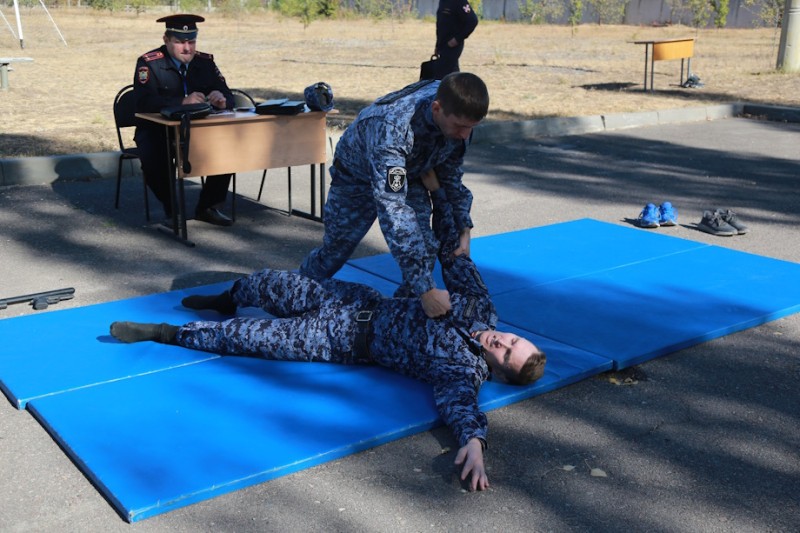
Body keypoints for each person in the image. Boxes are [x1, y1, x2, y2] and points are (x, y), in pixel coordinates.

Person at [110, 190, 546, 491]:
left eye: (505, 352)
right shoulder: (482, 311)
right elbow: (459, 261)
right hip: (355, 298)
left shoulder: (462, 370)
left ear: (497, 369)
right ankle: (228, 296)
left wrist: (474, 443)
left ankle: (166, 334)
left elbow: (461, 407)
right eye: (512, 339)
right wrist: (442, 201)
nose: (501, 340)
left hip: (341, 338)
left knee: (249, 337)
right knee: (271, 283)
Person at [299, 72, 489, 319]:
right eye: (461, 127)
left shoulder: (457, 112)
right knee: (335, 252)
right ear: (437, 108)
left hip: (410, 171)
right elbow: (394, 213)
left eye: (471, 128)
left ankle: (400, 318)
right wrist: (427, 290)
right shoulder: (393, 129)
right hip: (357, 178)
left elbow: (451, 174)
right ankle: (292, 291)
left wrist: (464, 226)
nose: (465, 135)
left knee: (425, 248)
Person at [133, 14, 235, 227]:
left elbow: (230, 94)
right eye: (180, 42)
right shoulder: (149, 63)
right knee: (153, 158)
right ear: (167, 40)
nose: (187, 48)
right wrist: (181, 101)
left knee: (227, 148)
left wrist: (221, 99)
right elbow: (143, 101)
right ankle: (173, 209)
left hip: (198, 130)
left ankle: (208, 207)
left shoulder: (205, 62)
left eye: (191, 41)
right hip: (158, 129)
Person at [434, 0, 479, 79]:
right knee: (446, 74)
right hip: (443, 44)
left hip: (452, 45)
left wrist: (457, 39)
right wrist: (438, 45)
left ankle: (457, 90)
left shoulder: (459, 1)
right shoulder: (443, 2)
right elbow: (441, 25)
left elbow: (473, 21)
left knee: (450, 74)